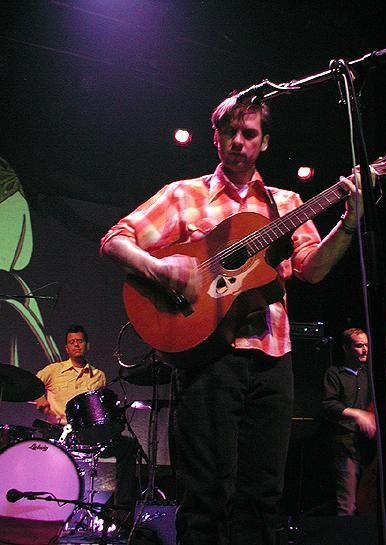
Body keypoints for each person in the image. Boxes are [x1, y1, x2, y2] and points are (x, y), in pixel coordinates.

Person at [100, 92, 365, 545]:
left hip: (272, 358)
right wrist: (160, 268)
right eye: (230, 133)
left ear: (264, 142)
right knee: (207, 495)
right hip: (209, 360)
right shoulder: (184, 194)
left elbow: (312, 269)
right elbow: (115, 239)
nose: (239, 141)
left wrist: (350, 221)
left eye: (250, 134)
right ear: (216, 138)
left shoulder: (287, 203)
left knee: (262, 496)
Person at [34, 324, 140, 526]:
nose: (76, 345)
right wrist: (41, 399)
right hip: (60, 433)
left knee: (128, 446)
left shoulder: (98, 375)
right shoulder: (53, 370)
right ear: (66, 347)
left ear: (87, 345)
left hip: (90, 434)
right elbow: (31, 384)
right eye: (72, 342)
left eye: (80, 341)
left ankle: (122, 511)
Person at [321, 327, 376, 516]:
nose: (365, 350)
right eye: (359, 346)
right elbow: (329, 405)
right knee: (347, 503)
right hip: (345, 442)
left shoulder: (369, 374)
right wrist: (358, 414)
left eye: (367, 346)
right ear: (346, 348)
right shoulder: (334, 373)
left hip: (369, 444)